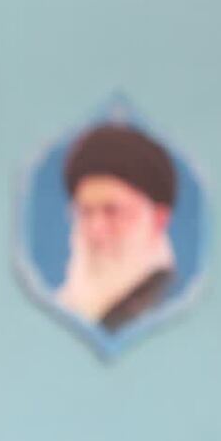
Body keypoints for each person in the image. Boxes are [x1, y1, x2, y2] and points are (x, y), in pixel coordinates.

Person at [54, 123, 178, 332]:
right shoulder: (66, 307)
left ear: (158, 220)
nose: (96, 230)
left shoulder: (171, 305)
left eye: (112, 212)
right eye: (85, 212)